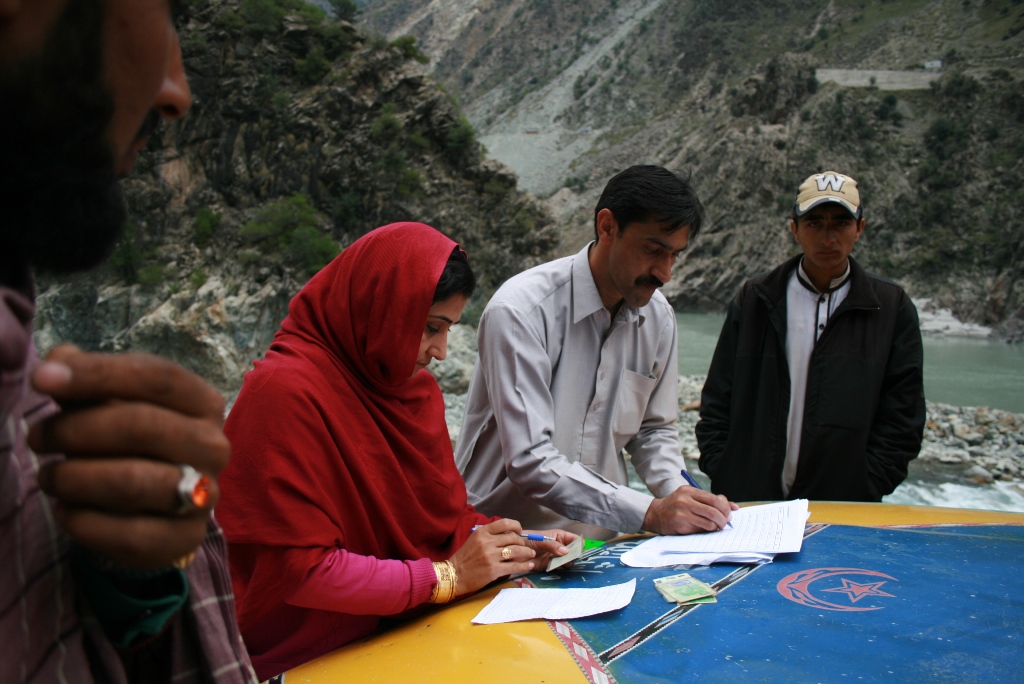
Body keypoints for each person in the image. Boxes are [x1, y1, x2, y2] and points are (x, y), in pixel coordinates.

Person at [0, 0, 254, 682]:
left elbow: (55, 615)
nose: (175, 92)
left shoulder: (24, 375)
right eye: (165, 10)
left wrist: (156, 552)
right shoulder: (291, 390)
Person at [216, 223, 576, 680]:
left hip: (403, 627)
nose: (441, 351)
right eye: (430, 328)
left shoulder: (414, 394)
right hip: (304, 654)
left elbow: (441, 522)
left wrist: (513, 547)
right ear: (380, 308)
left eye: (447, 330)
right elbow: (302, 571)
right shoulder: (282, 394)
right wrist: (446, 578)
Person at [455, 166, 737, 540]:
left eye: (675, 256)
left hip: (600, 542)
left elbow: (653, 431)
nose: (665, 273)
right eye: (653, 250)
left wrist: (683, 498)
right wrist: (650, 513)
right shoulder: (521, 311)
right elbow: (531, 460)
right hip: (503, 539)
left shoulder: (659, 318)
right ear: (607, 227)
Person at [697, 171, 925, 502]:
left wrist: (868, 483)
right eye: (815, 223)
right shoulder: (757, 299)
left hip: (845, 507)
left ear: (859, 229)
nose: (828, 237)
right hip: (748, 501)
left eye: (840, 223)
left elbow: (904, 415)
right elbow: (719, 395)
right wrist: (724, 467)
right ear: (795, 229)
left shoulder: (890, 308)